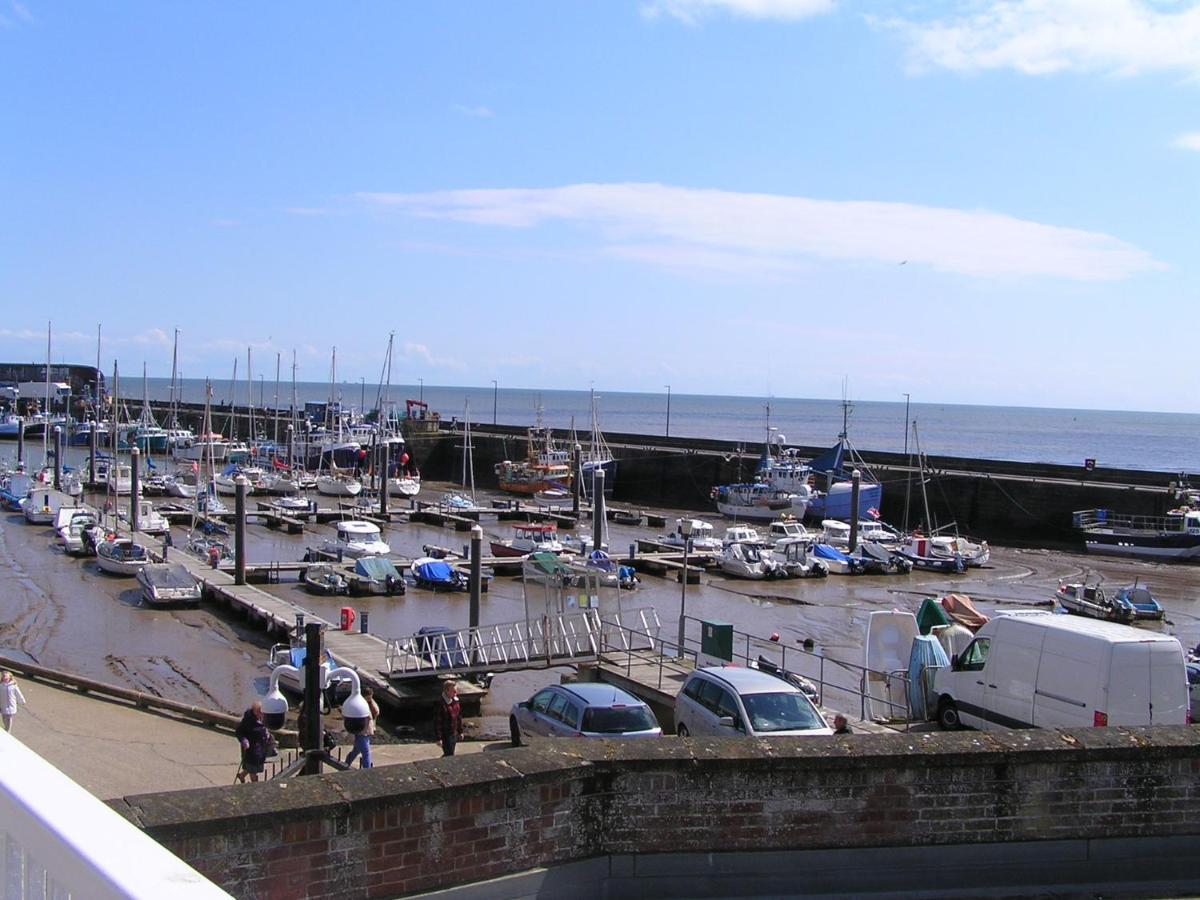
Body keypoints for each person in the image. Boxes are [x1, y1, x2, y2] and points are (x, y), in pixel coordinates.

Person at [235, 700, 270, 782]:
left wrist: (266, 733)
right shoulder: (248, 720)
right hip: (251, 749)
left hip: (260, 748)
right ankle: (254, 785)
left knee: (251, 767)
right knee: (253, 769)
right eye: (259, 712)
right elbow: (239, 732)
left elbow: (264, 728)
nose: (261, 714)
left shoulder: (262, 717)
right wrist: (244, 740)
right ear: (254, 711)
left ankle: (241, 776)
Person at [345, 687, 380, 769]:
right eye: (368, 697)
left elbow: (376, 711)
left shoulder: (369, 703)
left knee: (356, 751)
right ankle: (367, 770)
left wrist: (371, 700)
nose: (369, 699)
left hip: (366, 732)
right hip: (361, 732)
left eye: (371, 697)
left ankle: (346, 764)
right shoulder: (360, 705)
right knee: (366, 752)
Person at [435, 680, 463, 757]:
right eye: (453, 691)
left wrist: (460, 731)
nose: (455, 692)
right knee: (449, 754)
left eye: (456, 690)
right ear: (447, 691)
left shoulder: (455, 701)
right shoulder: (441, 703)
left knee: (450, 752)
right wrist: (438, 738)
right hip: (446, 734)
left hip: (454, 732)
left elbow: (458, 717)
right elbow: (438, 722)